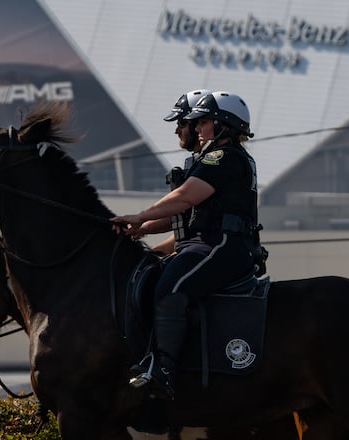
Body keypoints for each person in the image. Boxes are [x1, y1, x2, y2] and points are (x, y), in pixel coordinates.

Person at [111, 91, 260, 399]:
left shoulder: (224, 157)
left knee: (171, 287)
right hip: (206, 242)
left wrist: (139, 216)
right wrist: (140, 230)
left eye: (204, 122)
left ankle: (163, 371)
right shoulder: (209, 160)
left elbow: (183, 199)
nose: (197, 127)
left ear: (224, 126)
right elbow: (188, 214)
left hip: (223, 245)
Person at [150, 88, 211, 254]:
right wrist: (141, 229)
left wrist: (140, 220)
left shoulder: (216, 161)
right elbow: (183, 221)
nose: (176, 131)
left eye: (182, 124)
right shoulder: (196, 162)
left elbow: (181, 202)